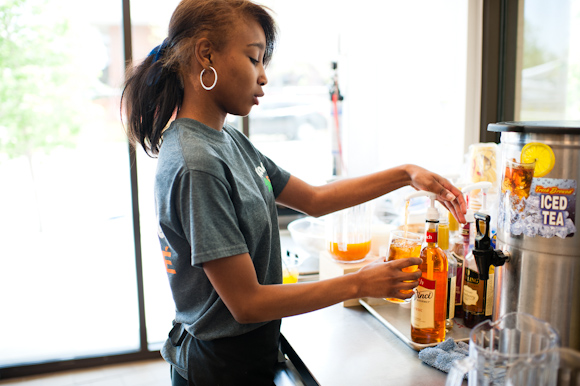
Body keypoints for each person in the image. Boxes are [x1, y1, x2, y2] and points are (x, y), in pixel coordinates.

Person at [121, 0, 467, 384]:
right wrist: (358, 283)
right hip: (220, 367)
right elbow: (247, 303)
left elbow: (315, 200)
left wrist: (405, 175)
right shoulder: (196, 162)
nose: (263, 76)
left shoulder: (227, 141)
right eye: (254, 59)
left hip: (254, 351)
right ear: (206, 54)